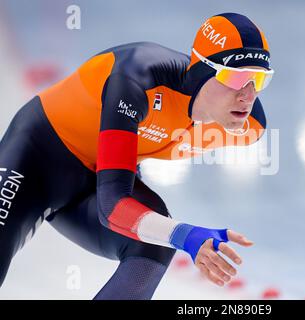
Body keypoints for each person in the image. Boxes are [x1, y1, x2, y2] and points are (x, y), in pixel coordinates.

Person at [0, 12, 273, 299]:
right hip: (35, 160)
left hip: (98, 181)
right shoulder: (138, 78)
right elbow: (113, 206)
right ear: (202, 69)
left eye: (259, 79)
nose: (248, 94)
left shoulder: (248, 127)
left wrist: (178, 235)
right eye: (236, 76)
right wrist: (187, 236)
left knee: (154, 241)